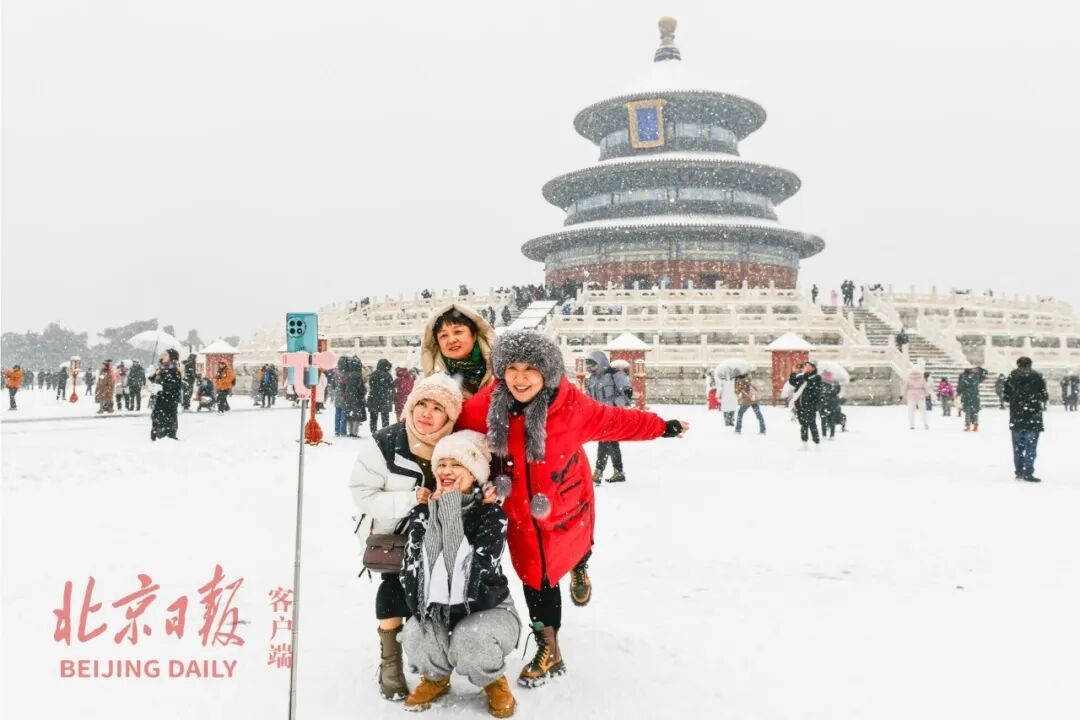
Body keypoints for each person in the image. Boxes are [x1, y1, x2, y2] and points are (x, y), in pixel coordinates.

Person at [455, 330, 689, 688]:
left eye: (530, 369)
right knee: (536, 576)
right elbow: (450, 429)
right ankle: (549, 647)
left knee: (576, 546)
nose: (520, 378)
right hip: (521, 512)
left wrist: (662, 427)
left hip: (567, 500)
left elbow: (618, 421)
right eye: (512, 368)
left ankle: (580, 566)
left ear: (547, 372)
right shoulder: (486, 406)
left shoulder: (571, 406)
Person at [348, 374, 464, 702]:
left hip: (439, 538)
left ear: (450, 416)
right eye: (421, 404)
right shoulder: (386, 442)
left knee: (432, 594)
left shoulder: (457, 446)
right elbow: (362, 493)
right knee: (393, 588)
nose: (426, 413)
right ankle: (390, 661)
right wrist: (412, 499)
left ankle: (427, 655)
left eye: (438, 408)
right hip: (392, 537)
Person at [397, 429, 520, 717]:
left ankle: (492, 679)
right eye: (441, 464)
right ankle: (436, 677)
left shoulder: (491, 516)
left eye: (457, 464)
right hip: (440, 611)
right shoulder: (423, 514)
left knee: (469, 637)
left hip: (489, 609)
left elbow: (474, 582)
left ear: (474, 474)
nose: (446, 471)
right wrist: (429, 618)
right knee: (416, 632)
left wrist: (450, 511)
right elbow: (411, 576)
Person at [420, 304, 497, 399]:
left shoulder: (503, 370)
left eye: (458, 332)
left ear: (474, 336)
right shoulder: (432, 386)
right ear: (438, 344)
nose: (451, 340)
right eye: (444, 336)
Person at [584, 350, 633, 484]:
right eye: (588, 365)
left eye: (592, 364)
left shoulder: (615, 374)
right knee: (610, 441)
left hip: (613, 415)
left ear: (600, 362)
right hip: (600, 416)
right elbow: (588, 399)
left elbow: (627, 394)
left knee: (605, 441)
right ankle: (618, 471)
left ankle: (599, 472)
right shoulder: (590, 379)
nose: (590, 368)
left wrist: (614, 406)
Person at [1003, 357, 1048, 482]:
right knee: (1031, 447)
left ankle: (1019, 471)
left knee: (1018, 447)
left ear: (1018, 364)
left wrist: (1016, 399)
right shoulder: (1037, 376)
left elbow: (1006, 396)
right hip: (1033, 416)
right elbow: (1044, 396)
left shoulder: (1012, 376)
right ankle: (1028, 472)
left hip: (1017, 417)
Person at [148, 349, 182, 440]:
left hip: (168, 403)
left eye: (166, 355)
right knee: (158, 420)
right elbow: (153, 379)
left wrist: (161, 387)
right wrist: (154, 375)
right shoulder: (162, 368)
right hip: (160, 401)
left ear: (171, 358)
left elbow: (175, 387)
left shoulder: (174, 370)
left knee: (166, 424)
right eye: (163, 354)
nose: (163, 356)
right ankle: (158, 434)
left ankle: (167, 436)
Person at [788, 361, 823, 446]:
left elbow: (814, 388)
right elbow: (793, 382)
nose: (805, 367)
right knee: (803, 424)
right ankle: (804, 443)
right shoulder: (802, 377)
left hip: (810, 405)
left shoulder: (817, 377)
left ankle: (816, 443)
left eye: (808, 365)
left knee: (812, 424)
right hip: (800, 405)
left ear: (813, 368)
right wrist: (794, 372)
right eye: (805, 365)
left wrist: (816, 406)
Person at [367, 359, 395, 434]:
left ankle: (374, 432)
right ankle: (385, 432)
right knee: (385, 418)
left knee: (373, 418)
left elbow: (371, 385)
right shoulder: (388, 375)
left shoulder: (373, 374)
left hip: (374, 398)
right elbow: (391, 386)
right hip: (384, 399)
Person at [342, 356, 367, 437]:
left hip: (349, 397)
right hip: (357, 397)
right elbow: (361, 388)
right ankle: (355, 432)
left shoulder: (346, 374)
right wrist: (363, 392)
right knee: (356, 415)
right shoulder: (358, 375)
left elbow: (343, 386)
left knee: (350, 414)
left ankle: (350, 432)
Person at [957, 365, 988, 431]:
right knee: (971, 411)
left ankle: (972, 426)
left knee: (971, 411)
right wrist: (959, 392)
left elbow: (985, 374)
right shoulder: (970, 375)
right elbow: (960, 385)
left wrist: (979, 369)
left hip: (971, 396)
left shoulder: (975, 375)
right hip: (970, 396)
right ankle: (972, 425)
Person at [902, 365, 930, 430]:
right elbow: (926, 387)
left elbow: (904, 387)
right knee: (923, 411)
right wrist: (927, 394)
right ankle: (925, 424)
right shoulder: (922, 378)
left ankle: (912, 425)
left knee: (911, 411)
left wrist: (901, 395)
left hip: (911, 395)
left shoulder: (909, 378)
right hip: (920, 395)